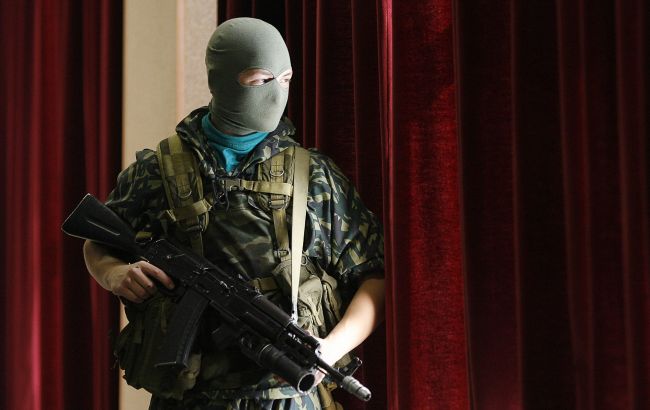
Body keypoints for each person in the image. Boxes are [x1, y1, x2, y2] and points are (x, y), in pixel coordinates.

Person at [83, 17, 385, 410]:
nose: (276, 93)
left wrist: (330, 349)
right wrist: (114, 274)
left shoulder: (315, 177)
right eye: (260, 80)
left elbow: (373, 276)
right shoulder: (158, 170)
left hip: (289, 396)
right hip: (189, 399)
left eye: (286, 79)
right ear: (221, 80)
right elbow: (98, 240)